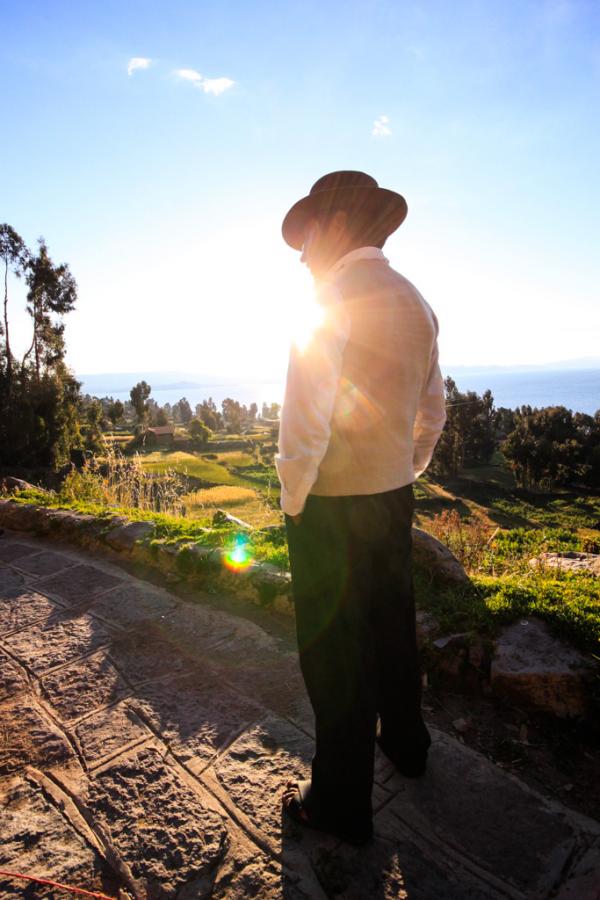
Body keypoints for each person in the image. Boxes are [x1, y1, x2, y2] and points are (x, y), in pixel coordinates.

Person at [275, 171, 447, 845]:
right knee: (391, 623)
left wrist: (294, 501)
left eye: (308, 231)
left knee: (334, 651)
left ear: (339, 222)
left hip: (330, 506)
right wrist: (401, 471)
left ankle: (340, 805)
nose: (301, 251)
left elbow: (305, 422)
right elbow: (432, 411)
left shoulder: (327, 302)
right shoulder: (417, 301)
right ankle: (408, 745)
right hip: (391, 496)